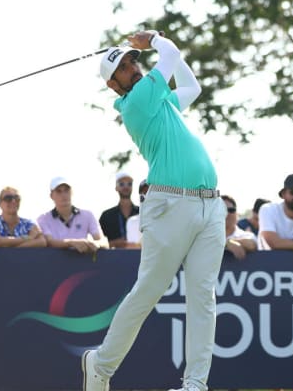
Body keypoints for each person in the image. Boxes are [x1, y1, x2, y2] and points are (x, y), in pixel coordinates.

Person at [82, 30, 225, 391]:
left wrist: (159, 49)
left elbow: (192, 88)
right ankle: (100, 366)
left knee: (203, 298)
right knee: (148, 291)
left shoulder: (159, 101)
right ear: (115, 86)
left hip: (210, 206)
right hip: (170, 205)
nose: (134, 69)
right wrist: (155, 39)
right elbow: (171, 57)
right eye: (125, 68)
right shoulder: (138, 102)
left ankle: (195, 384)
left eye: (133, 62)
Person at [37, 177, 109, 253]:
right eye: (59, 191)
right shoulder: (43, 219)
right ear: (51, 196)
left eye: (66, 190)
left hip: (82, 262)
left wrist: (95, 244)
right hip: (54, 263)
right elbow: (49, 242)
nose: (64, 195)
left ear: (72, 192)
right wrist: (71, 243)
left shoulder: (88, 215)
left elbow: (103, 241)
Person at [99, 171, 140, 249]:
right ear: (116, 188)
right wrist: (116, 243)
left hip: (139, 258)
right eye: (122, 184)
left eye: (129, 184)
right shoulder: (106, 215)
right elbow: (99, 242)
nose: (126, 187)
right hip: (113, 259)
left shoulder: (142, 213)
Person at [222, 195, 257, 260]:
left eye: (231, 210)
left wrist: (230, 242)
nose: (227, 213)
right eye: (222, 210)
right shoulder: (205, 235)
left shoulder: (246, 235)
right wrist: (226, 243)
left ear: (236, 213)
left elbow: (252, 244)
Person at [125, 178, 149, 247]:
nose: (145, 197)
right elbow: (134, 247)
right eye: (143, 194)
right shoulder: (132, 221)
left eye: (149, 193)